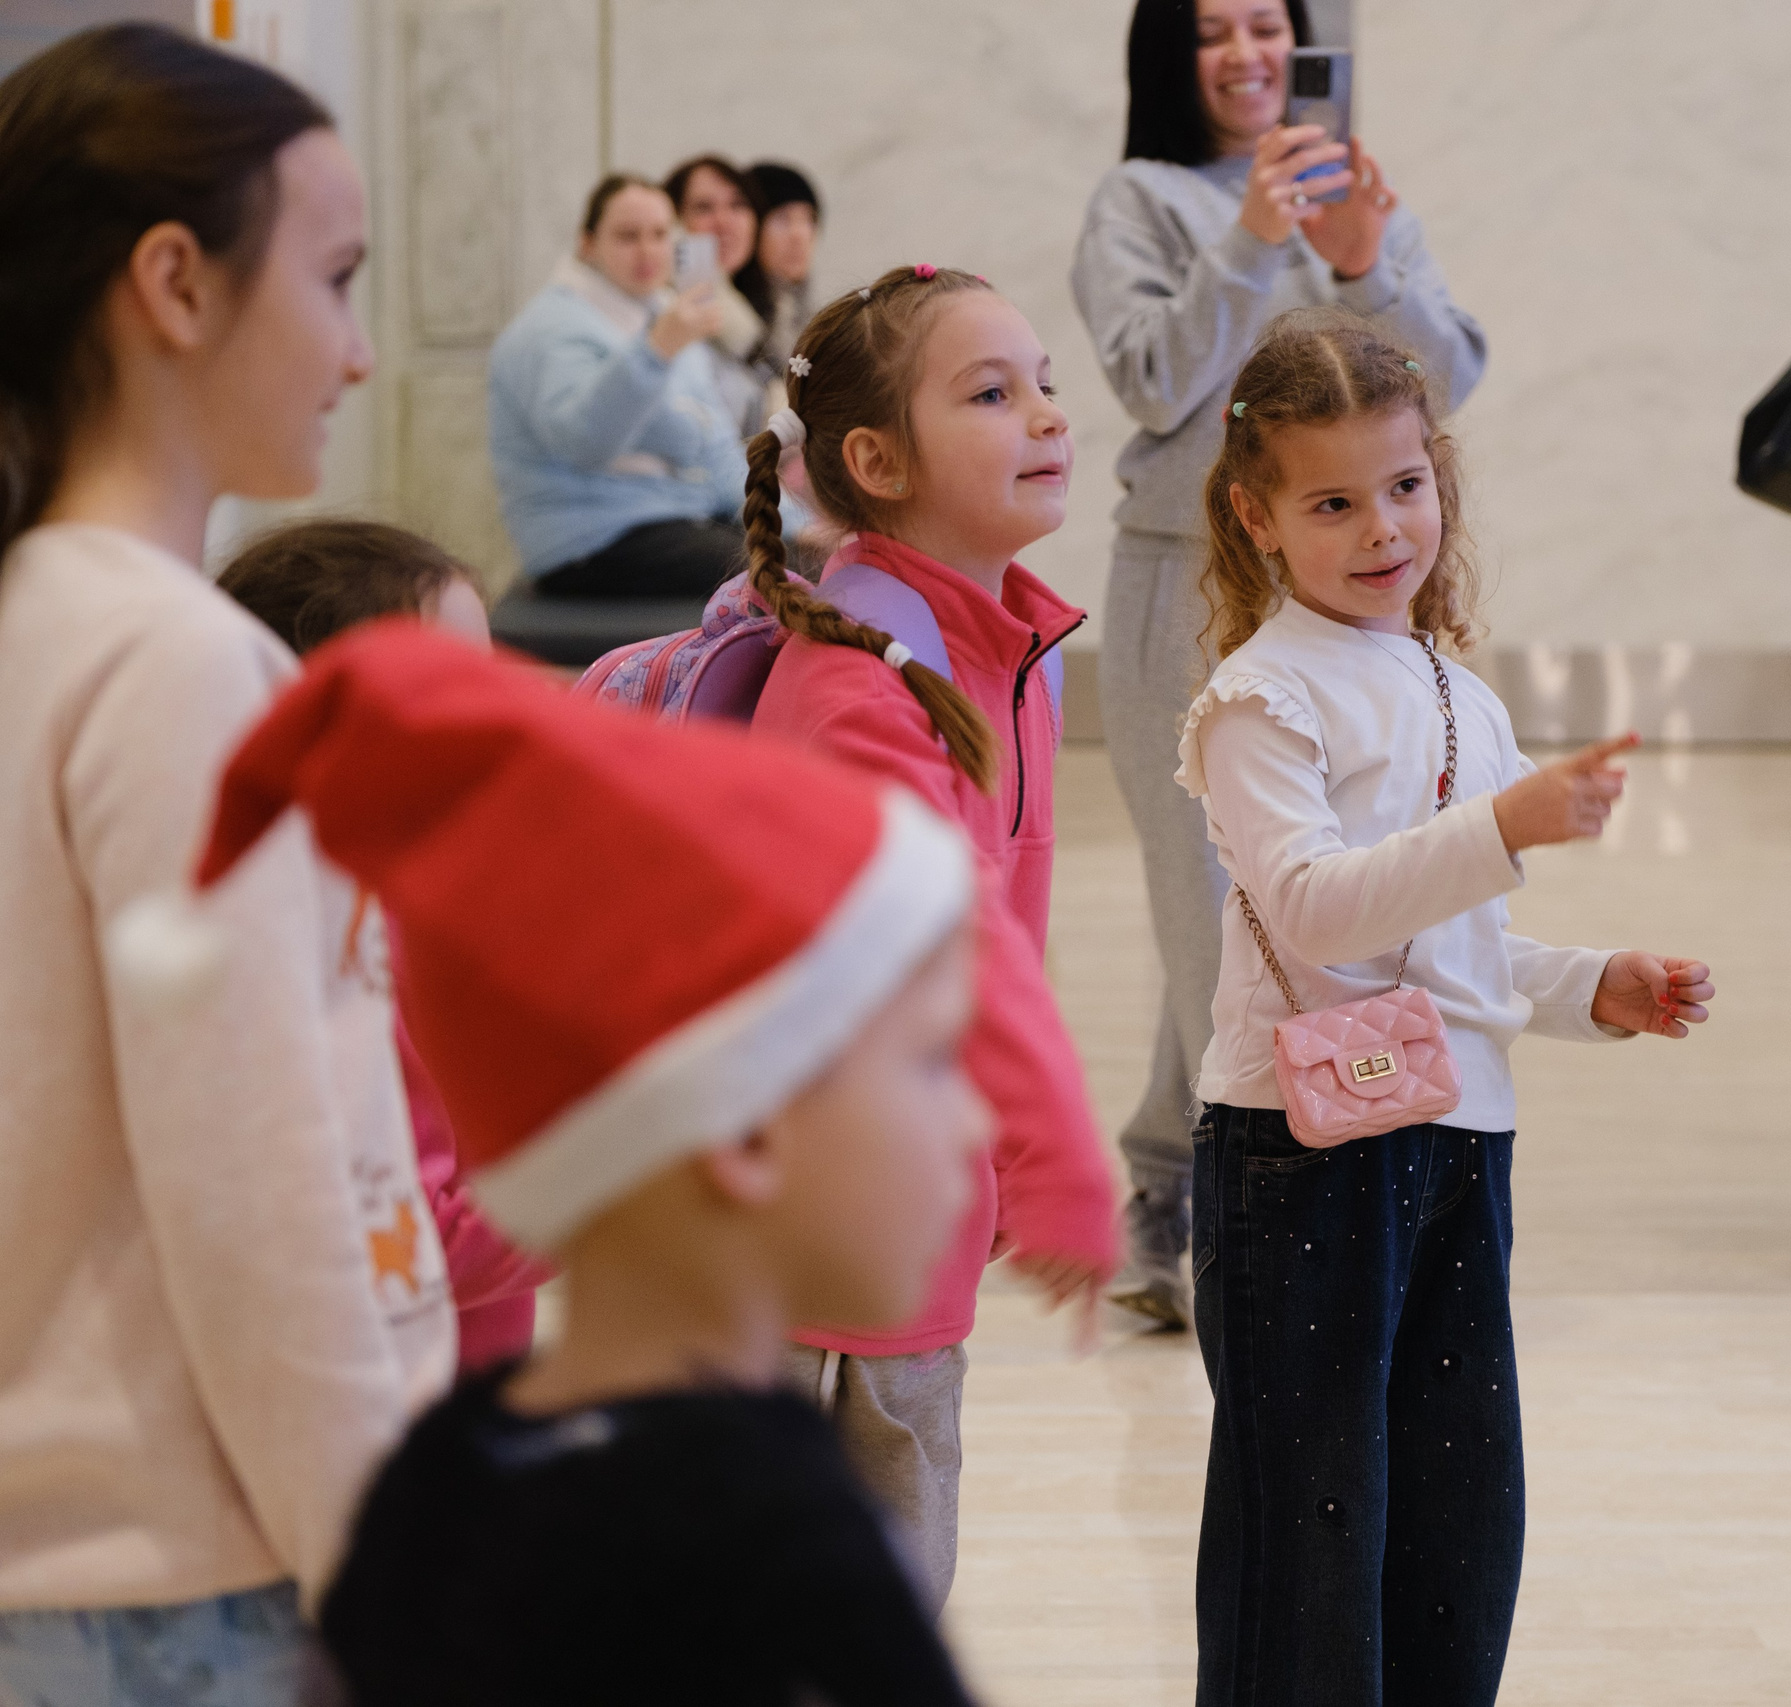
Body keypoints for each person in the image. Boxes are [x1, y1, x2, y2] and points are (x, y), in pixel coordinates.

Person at [132, 622, 983, 1706]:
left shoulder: (439, 1473)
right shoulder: (776, 1519)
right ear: (743, 1136)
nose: (969, 1126)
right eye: (926, 1067)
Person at [0, 25, 454, 1702]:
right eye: (333, 280)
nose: (356, 351)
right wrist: (383, 1569)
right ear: (174, 284)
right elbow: (253, 1189)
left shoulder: (47, 617)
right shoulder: (176, 666)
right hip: (186, 1578)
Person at [1182, 311, 1712, 1707]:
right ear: (1258, 517)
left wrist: (1584, 981)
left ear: (1443, 483)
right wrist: (1507, 819)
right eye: (1333, 501)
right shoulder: (1258, 697)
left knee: (1458, 1526)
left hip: (1458, 1144)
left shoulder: (1456, 686)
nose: (1380, 527)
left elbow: (1451, 942)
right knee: (1309, 1535)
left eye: (1405, 487)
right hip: (1296, 1161)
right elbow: (1316, 906)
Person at [1072, 0, 1488, 1327]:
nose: (1248, 52)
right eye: (1214, 31)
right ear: (1167, 59)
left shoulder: (1349, 191)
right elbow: (1153, 383)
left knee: (1278, 905)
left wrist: (1366, 264)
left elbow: (1449, 376)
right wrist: (1253, 243)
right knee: (1208, 908)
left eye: (1270, 25)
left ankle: (1160, 1193)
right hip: (1180, 590)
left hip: (1341, 603)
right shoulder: (1138, 201)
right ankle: (1238, 1215)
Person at [743, 265, 1120, 1612]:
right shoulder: (860, 682)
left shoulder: (1005, 645)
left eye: (1045, 384)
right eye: (991, 391)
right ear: (875, 459)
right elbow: (939, 941)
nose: (1046, 416)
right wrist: (1052, 1144)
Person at [216, 519, 552, 1374]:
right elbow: (412, 1236)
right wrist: (608, 1186)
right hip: (397, 1390)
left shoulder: (419, 888)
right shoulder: (340, 943)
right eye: (447, 684)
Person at [486, 172, 747, 602]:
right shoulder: (549, 328)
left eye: (660, 235)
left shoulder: (664, 313)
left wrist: (792, 523)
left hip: (672, 519)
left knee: (799, 555)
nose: (647, 251)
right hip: (592, 542)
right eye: (628, 236)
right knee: (777, 573)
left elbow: (716, 445)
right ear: (588, 244)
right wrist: (655, 350)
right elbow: (585, 442)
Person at [667, 154, 776, 437]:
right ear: (673, 225)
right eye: (704, 208)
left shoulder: (760, 307)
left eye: (738, 205)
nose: (724, 222)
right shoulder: (668, 312)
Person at [748, 160, 823, 374]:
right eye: (783, 219)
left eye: (809, 219)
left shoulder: (814, 322)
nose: (799, 235)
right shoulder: (734, 323)